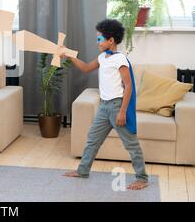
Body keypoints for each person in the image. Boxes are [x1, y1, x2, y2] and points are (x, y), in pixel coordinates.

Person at [62, 19, 148, 190]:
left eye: (100, 39)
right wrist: (70, 56)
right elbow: (86, 68)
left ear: (111, 40)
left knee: (131, 144)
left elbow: (129, 85)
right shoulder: (102, 58)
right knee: (92, 140)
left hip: (117, 107)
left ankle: (142, 178)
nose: (97, 42)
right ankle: (82, 170)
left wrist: (123, 111)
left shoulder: (120, 59)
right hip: (103, 107)